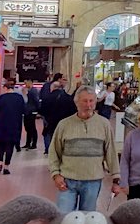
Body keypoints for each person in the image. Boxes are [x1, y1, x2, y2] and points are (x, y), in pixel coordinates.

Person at [49, 85, 123, 213]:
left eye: (91, 101)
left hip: (92, 181)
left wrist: (116, 179)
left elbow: (111, 152)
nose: (88, 105)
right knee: (63, 217)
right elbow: (54, 152)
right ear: (76, 102)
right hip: (67, 181)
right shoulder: (64, 125)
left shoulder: (104, 124)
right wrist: (55, 174)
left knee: (87, 218)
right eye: (84, 101)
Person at [0, 80, 26, 175]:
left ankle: (0, 162)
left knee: (1, 144)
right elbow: (24, 110)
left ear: (5, 88)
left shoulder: (1, 98)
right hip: (14, 124)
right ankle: (6, 167)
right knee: (10, 145)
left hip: (1, 124)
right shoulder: (19, 98)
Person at [39, 74, 73, 154]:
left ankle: (49, 149)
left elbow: (42, 109)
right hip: (63, 120)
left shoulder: (47, 97)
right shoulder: (67, 97)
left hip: (50, 120)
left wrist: (45, 117)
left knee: (48, 133)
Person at [22, 81, 41, 150]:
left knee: (31, 127)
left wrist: (37, 110)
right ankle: (28, 143)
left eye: (26, 83)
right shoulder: (29, 91)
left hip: (31, 111)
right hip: (27, 111)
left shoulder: (33, 91)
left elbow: (36, 101)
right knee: (27, 127)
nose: (25, 85)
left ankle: (33, 143)